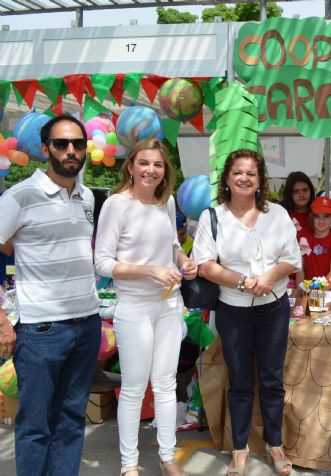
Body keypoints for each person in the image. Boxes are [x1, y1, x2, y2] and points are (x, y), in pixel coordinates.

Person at [0, 114, 101, 476]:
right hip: (42, 330)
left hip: (87, 324)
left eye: (78, 143)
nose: (71, 150)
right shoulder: (21, 196)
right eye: (61, 144)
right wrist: (2, 322)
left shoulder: (88, 195)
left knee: (72, 420)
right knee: (35, 427)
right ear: (45, 149)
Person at [192, 149, 301, 476]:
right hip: (233, 310)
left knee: (271, 380)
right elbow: (205, 265)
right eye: (237, 172)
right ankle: (239, 449)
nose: (244, 178)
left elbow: (291, 258)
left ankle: (274, 444)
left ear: (260, 180)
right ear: (227, 178)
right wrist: (242, 281)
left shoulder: (277, 214)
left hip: (274, 309)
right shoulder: (213, 216)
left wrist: (268, 278)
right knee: (239, 382)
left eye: (251, 173)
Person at [94, 138, 197, 476]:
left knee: (165, 383)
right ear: (131, 166)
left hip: (168, 306)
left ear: (164, 170)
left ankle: (168, 458)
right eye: (144, 163)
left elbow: (170, 244)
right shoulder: (116, 205)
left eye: (157, 164)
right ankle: (129, 465)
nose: (151, 170)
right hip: (134, 308)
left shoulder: (165, 204)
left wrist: (183, 259)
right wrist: (148, 270)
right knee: (135, 387)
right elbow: (103, 263)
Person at [296, 196, 331, 290]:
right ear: (311, 216)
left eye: (326, 216)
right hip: (309, 291)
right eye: (317, 216)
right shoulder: (303, 235)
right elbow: (300, 268)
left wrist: (314, 289)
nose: (321, 221)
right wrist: (302, 289)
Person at [282, 171, 315, 236]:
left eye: (305, 190)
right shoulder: (282, 215)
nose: (301, 194)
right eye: (296, 191)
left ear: (311, 191)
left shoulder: (318, 213)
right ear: (289, 193)